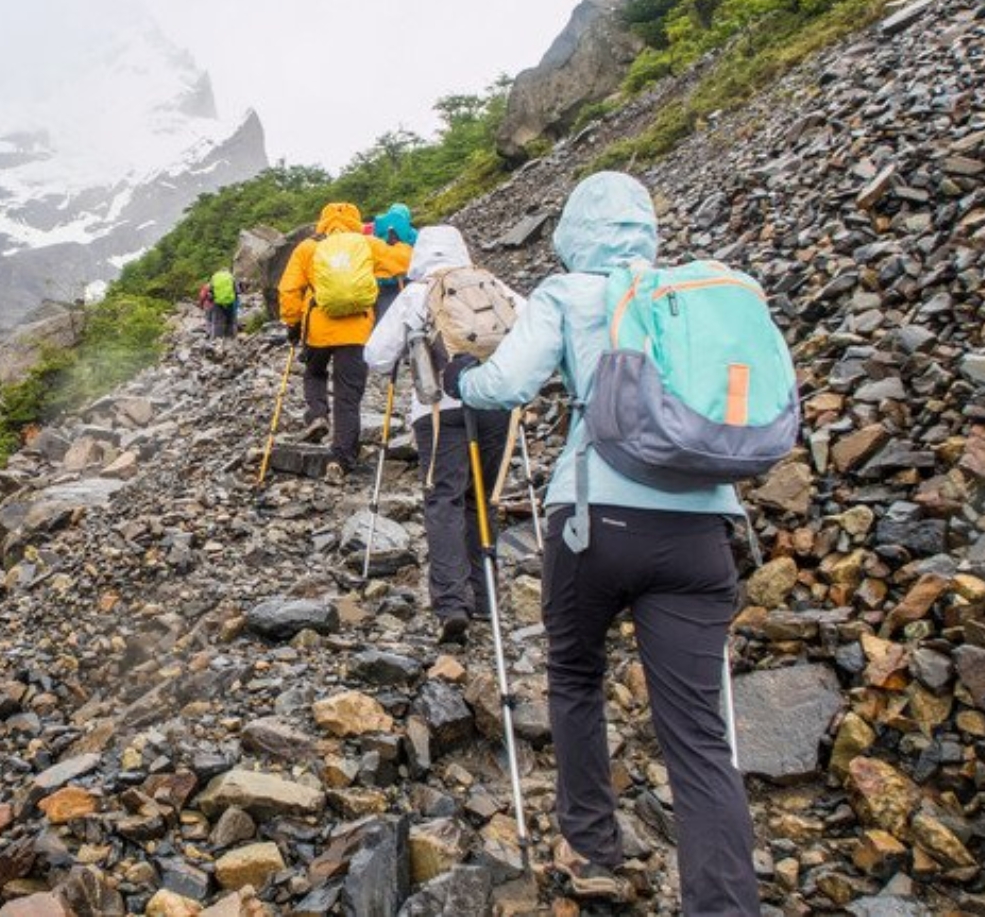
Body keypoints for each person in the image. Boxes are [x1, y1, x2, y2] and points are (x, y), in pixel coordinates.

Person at [449, 171, 759, 912]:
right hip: (701, 530)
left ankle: (592, 850)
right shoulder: (692, 296)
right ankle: (723, 903)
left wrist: (463, 377)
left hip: (594, 520)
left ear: (574, 230)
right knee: (699, 737)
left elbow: (508, 385)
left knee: (578, 675)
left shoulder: (569, 293)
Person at [364, 225, 511, 645]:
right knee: (482, 497)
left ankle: (451, 602)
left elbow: (375, 357)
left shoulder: (416, 293)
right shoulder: (489, 283)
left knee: (444, 497)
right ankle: (484, 597)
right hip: (493, 404)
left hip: (436, 409)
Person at [278, 202, 408, 480]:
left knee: (314, 373)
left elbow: (289, 289)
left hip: (318, 328)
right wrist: (397, 243)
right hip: (356, 330)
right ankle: (342, 458)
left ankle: (317, 415)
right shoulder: (367, 243)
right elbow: (404, 263)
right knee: (348, 396)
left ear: (322, 222)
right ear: (356, 220)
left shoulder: (308, 248)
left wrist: (292, 323)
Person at [369, 203, 416, 325]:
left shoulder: (380, 233)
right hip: (409, 283)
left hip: (384, 286)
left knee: (387, 321)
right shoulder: (412, 234)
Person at [198, 269, 239, 338]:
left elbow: (209, 292)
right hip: (230, 302)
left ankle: (216, 339)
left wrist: (202, 304)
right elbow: (237, 291)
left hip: (217, 303)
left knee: (217, 321)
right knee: (231, 320)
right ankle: (231, 338)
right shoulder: (231, 277)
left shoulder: (214, 278)